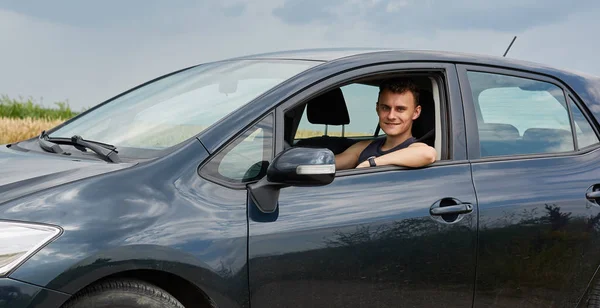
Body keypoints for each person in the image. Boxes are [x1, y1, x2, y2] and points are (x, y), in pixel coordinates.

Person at [335, 78, 437, 170]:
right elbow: (329, 166)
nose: (391, 116)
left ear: (416, 112)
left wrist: (372, 163)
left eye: (400, 109)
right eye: (385, 108)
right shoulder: (363, 147)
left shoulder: (415, 148)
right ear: (377, 108)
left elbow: (428, 154)